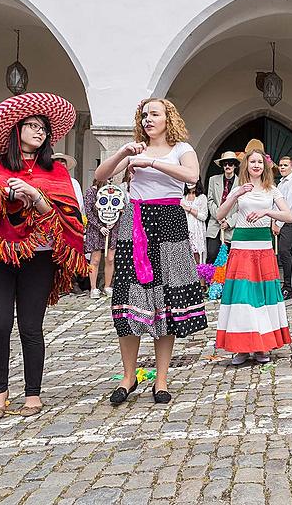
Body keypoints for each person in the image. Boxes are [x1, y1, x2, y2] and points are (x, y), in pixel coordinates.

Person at [0, 93, 87, 418]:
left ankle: (33, 393)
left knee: (30, 326)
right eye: (33, 126)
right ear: (16, 129)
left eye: (43, 128)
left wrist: (37, 197)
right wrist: (1, 195)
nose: (40, 132)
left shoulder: (55, 172)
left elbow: (69, 217)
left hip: (38, 258)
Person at [94, 97, 207, 406]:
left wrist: (153, 163)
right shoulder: (135, 148)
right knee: (130, 299)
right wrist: (123, 152)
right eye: (144, 115)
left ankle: (161, 379)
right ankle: (128, 377)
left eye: (154, 114)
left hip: (170, 222)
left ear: (167, 118)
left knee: (165, 302)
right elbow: (101, 177)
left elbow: (192, 176)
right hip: (136, 221)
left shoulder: (182, 149)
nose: (148, 119)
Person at [216, 149, 292, 365]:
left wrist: (267, 213)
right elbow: (220, 215)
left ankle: (261, 346)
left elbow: (289, 216)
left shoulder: (272, 190)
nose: (257, 165)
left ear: (265, 166)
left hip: (263, 248)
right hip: (241, 247)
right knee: (243, 298)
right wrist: (235, 194)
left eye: (260, 161)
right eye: (253, 161)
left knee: (261, 298)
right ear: (247, 165)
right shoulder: (239, 188)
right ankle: (241, 348)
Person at [83, 178, 122, 298]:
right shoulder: (91, 192)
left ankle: (107, 286)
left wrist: (113, 222)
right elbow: (88, 212)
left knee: (110, 259)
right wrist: (100, 227)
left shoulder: (114, 191)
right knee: (95, 260)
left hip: (111, 229)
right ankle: (93, 288)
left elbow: (120, 208)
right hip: (96, 230)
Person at [273, 155, 292, 299]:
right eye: (280, 165)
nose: (282, 168)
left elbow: (289, 206)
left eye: (285, 165)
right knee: (286, 254)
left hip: (290, 222)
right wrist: (273, 221)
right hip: (280, 221)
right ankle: (287, 285)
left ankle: (288, 287)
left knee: (285, 252)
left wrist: (278, 224)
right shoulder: (280, 183)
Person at [205, 151, 240, 263]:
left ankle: (227, 280)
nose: (227, 166)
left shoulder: (242, 183)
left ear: (235, 165)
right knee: (212, 253)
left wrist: (229, 222)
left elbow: (242, 208)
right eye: (225, 164)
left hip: (232, 226)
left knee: (230, 258)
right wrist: (219, 216)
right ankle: (211, 280)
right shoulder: (213, 180)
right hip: (215, 223)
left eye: (230, 163)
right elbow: (210, 200)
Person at [182, 180, 208, 265]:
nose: (189, 183)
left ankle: (199, 277)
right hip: (184, 229)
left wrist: (189, 209)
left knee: (196, 255)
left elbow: (204, 216)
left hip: (197, 231)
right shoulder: (182, 196)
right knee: (185, 255)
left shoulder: (202, 197)